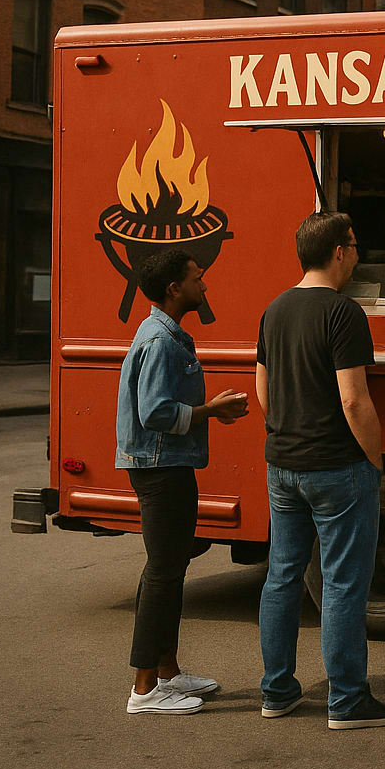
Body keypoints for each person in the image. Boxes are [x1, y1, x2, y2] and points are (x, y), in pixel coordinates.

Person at [255, 211, 385, 730]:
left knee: (282, 576)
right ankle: (346, 699)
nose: (358, 256)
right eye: (355, 247)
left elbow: (262, 389)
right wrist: (375, 459)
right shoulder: (344, 313)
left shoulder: (274, 309)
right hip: (336, 466)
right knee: (342, 583)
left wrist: (287, 432)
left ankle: (277, 690)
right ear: (339, 252)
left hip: (283, 464)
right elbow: (353, 399)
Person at [115, 249, 248, 715]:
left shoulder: (165, 334)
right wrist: (210, 411)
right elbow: (154, 411)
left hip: (166, 464)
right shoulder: (160, 341)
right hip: (160, 468)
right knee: (163, 572)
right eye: (197, 278)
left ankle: (167, 672)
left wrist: (209, 411)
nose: (204, 285)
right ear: (174, 289)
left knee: (170, 570)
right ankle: (144, 689)